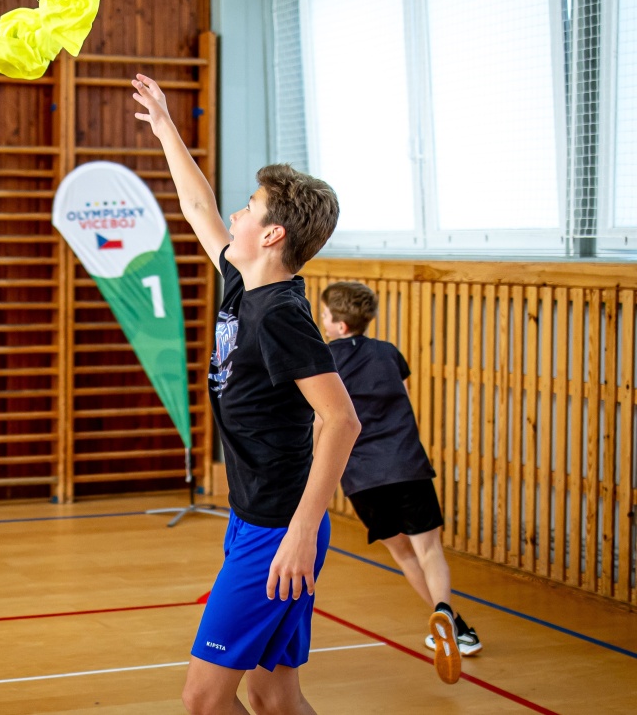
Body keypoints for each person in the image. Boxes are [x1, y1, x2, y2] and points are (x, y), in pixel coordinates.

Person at [132, 74, 361, 715]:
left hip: (279, 528)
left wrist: (302, 531)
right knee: (273, 695)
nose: (235, 214)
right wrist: (165, 126)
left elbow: (341, 421)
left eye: (249, 206)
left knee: (203, 701)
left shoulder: (282, 315)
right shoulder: (242, 282)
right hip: (252, 516)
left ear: (271, 235)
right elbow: (197, 207)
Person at [317, 280, 481, 685]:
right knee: (429, 550)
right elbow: (403, 397)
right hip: (408, 465)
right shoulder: (388, 352)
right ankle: (446, 615)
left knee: (404, 555)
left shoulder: (324, 360)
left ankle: (454, 625)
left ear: (339, 325)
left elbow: (323, 419)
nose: (321, 320)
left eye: (324, 315)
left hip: (363, 478)